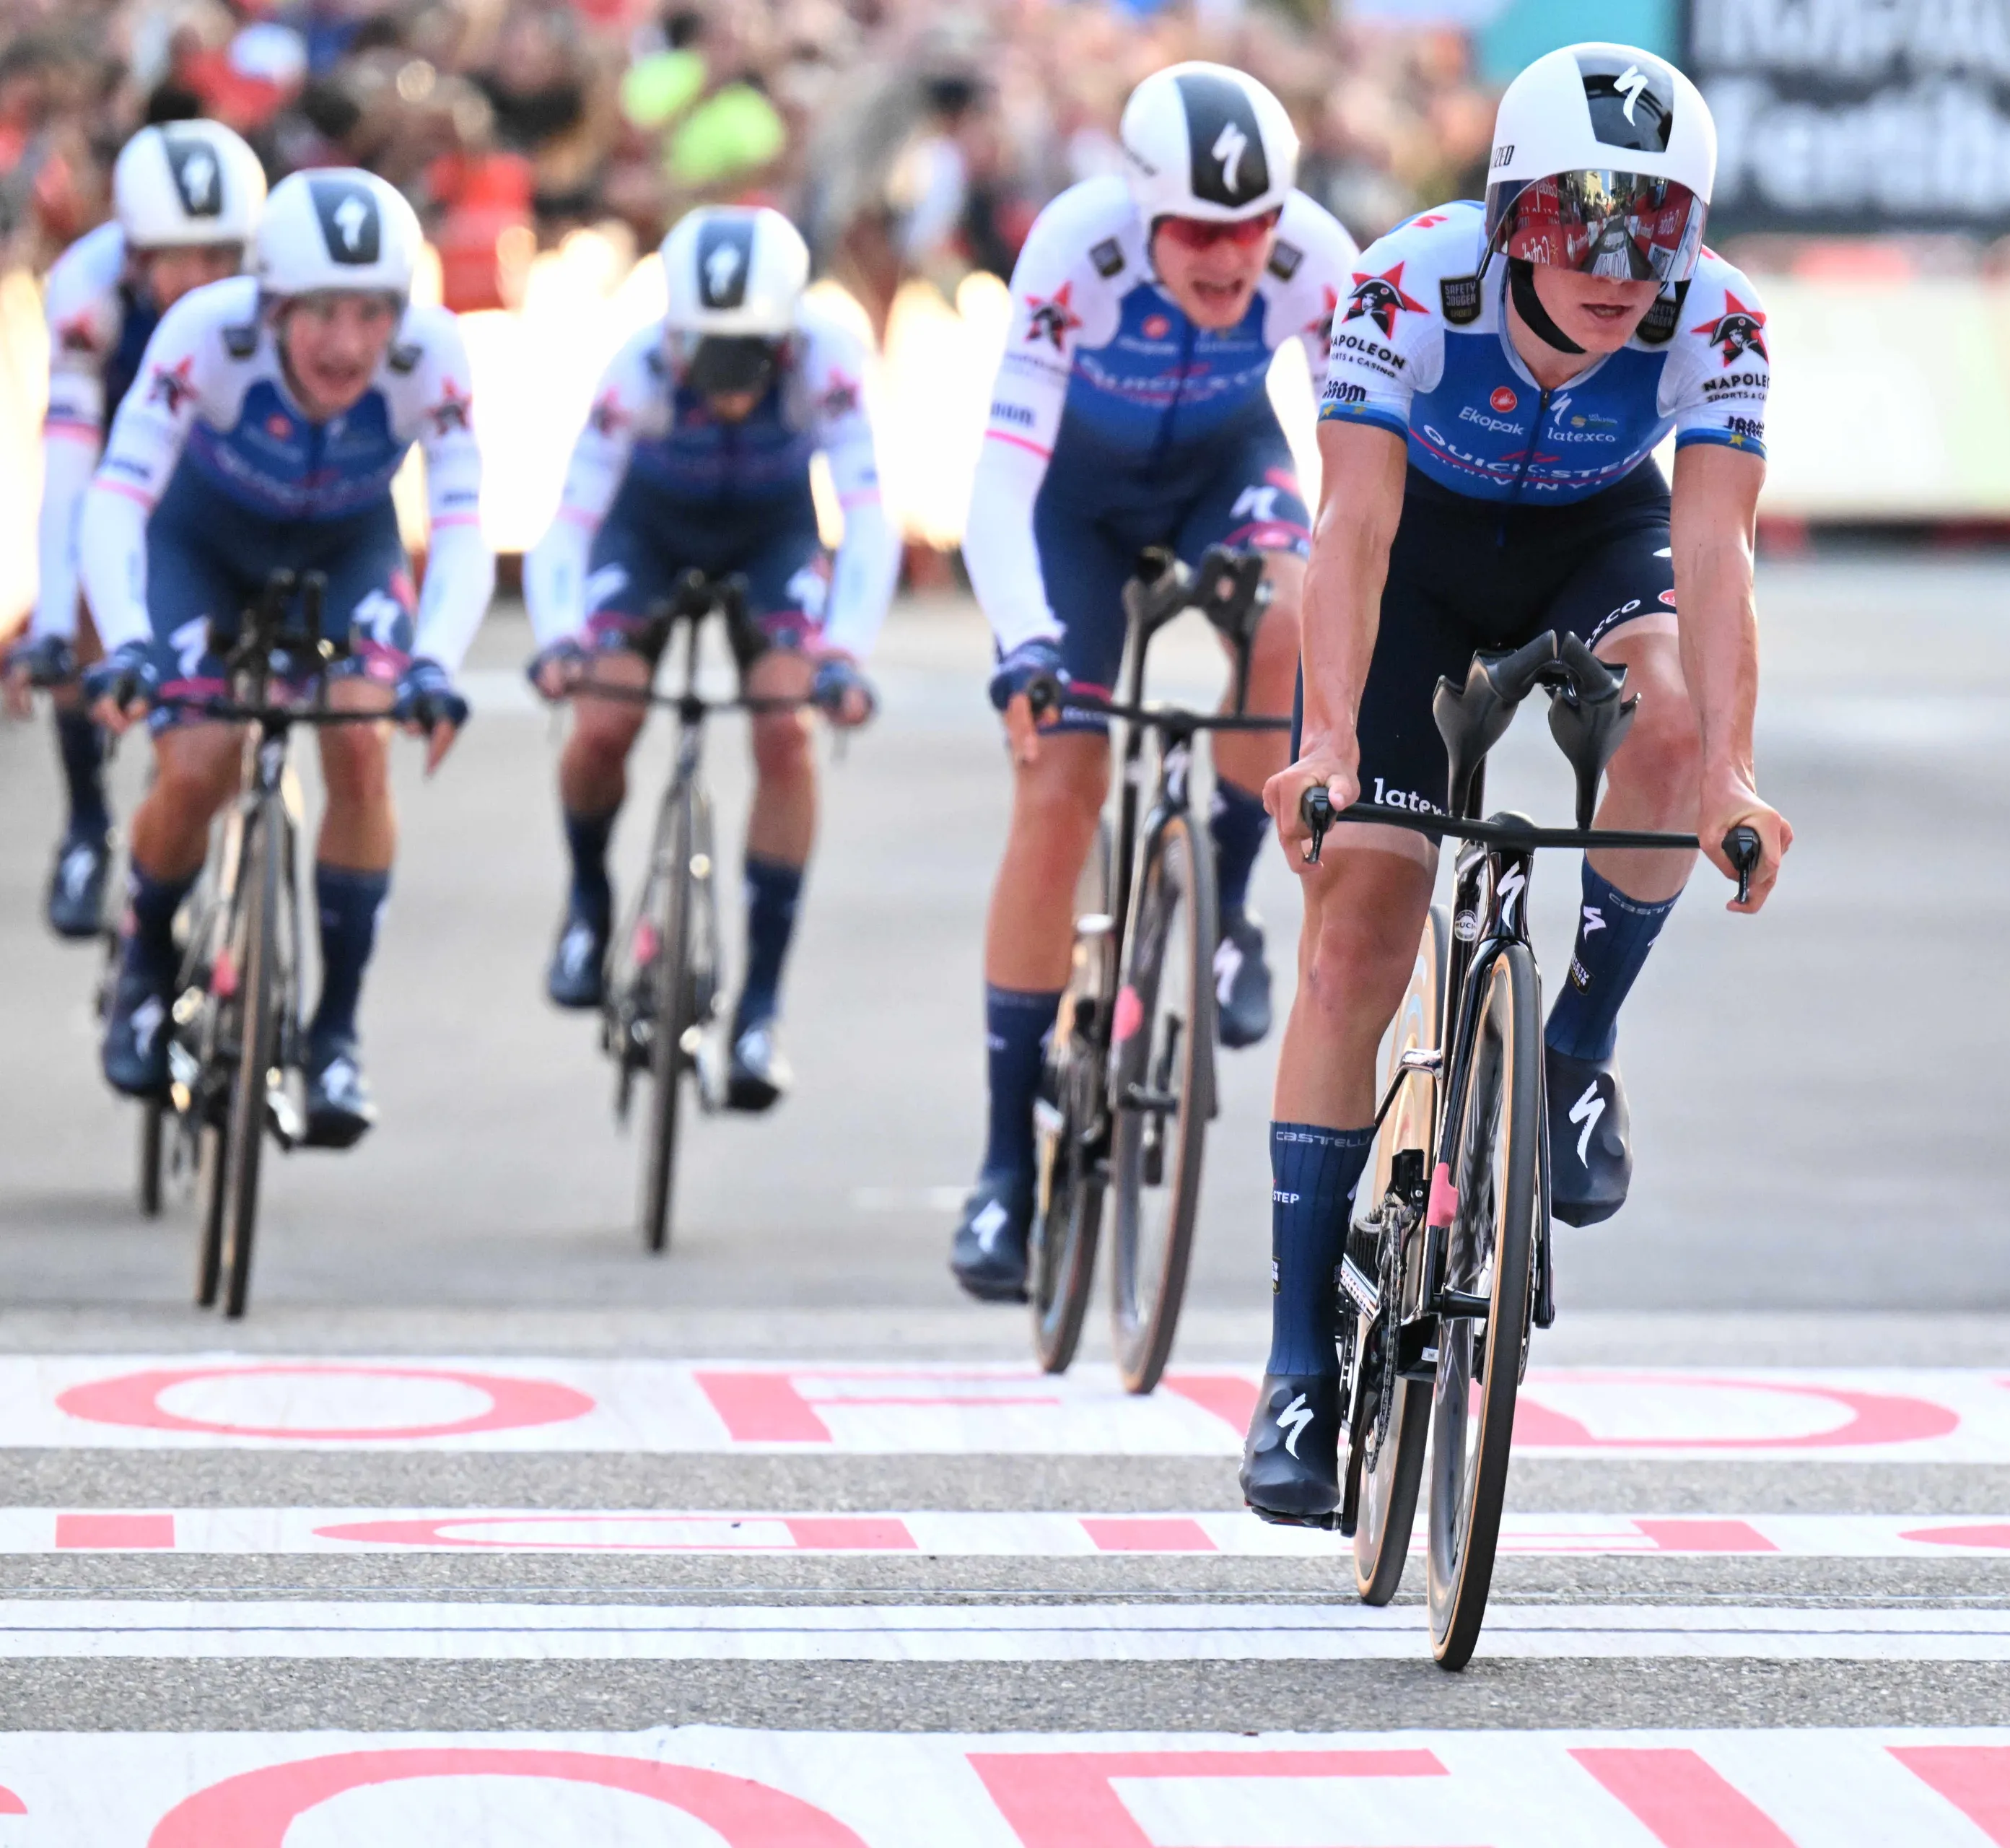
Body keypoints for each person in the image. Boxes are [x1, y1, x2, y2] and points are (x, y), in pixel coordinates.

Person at [1238, 45, 1793, 1520]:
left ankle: (1572, 1057)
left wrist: (1729, 771)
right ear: (1508, 215)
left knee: (1664, 732)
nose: (1621, 265)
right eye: (1583, 219)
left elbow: (1716, 555)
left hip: (1588, 550)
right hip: (1416, 558)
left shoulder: (1719, 316)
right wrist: (1338, 742)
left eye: (1656, 224)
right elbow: (1349, 531)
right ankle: (1297, 1362)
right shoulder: (1407, 282)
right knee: (1356, 930)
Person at [948, 61, 1358, 1302]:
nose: (1230, 260)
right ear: (1139, 210)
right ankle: (1004, 1168)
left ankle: (1227, 917)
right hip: (1075, 505)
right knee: (1056, 795)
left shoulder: (1319, 258)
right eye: (1195, 230)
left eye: (1250, 227)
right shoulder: (1075, 251)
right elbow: (1001, 482)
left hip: (1228, 470)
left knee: (1292, 599)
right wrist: (1023, 638)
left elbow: (1358, 489)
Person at [79, 166, 491, 1145]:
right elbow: (117, 496)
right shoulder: (204, 338)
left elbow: (465, 521)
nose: (348, 345)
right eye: (320, 315)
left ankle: (336, 1033)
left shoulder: (432, 356)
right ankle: (143, 972)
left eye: (370, 314)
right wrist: (129, 638)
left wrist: (434, 661)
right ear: (271, 306)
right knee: (202, 761)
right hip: (200, 549)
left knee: (360, 748)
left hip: (348, 551)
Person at [523, 204, 892, 1110]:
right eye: (708, 356)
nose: (727, 384)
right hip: (645, 533)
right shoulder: (639, 366)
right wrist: (559, 641)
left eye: (750, 358)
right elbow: (569, 521)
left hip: (772, 538)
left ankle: (760, 1008)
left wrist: (842, 654)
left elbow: (869, 515)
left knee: (785, 735)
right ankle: (586, 900)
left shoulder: (830, 355)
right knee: (604, 717)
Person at [4, 119, 264, 942]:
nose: (209, 278)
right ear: (137, 253)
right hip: (126, 454)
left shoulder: (275, 281)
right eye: (185, 258)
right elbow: (72, 472)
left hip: (231, 463)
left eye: (226, 254)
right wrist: (51, 622)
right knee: (90, 594)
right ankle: (88, 822)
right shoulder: (90, 286)